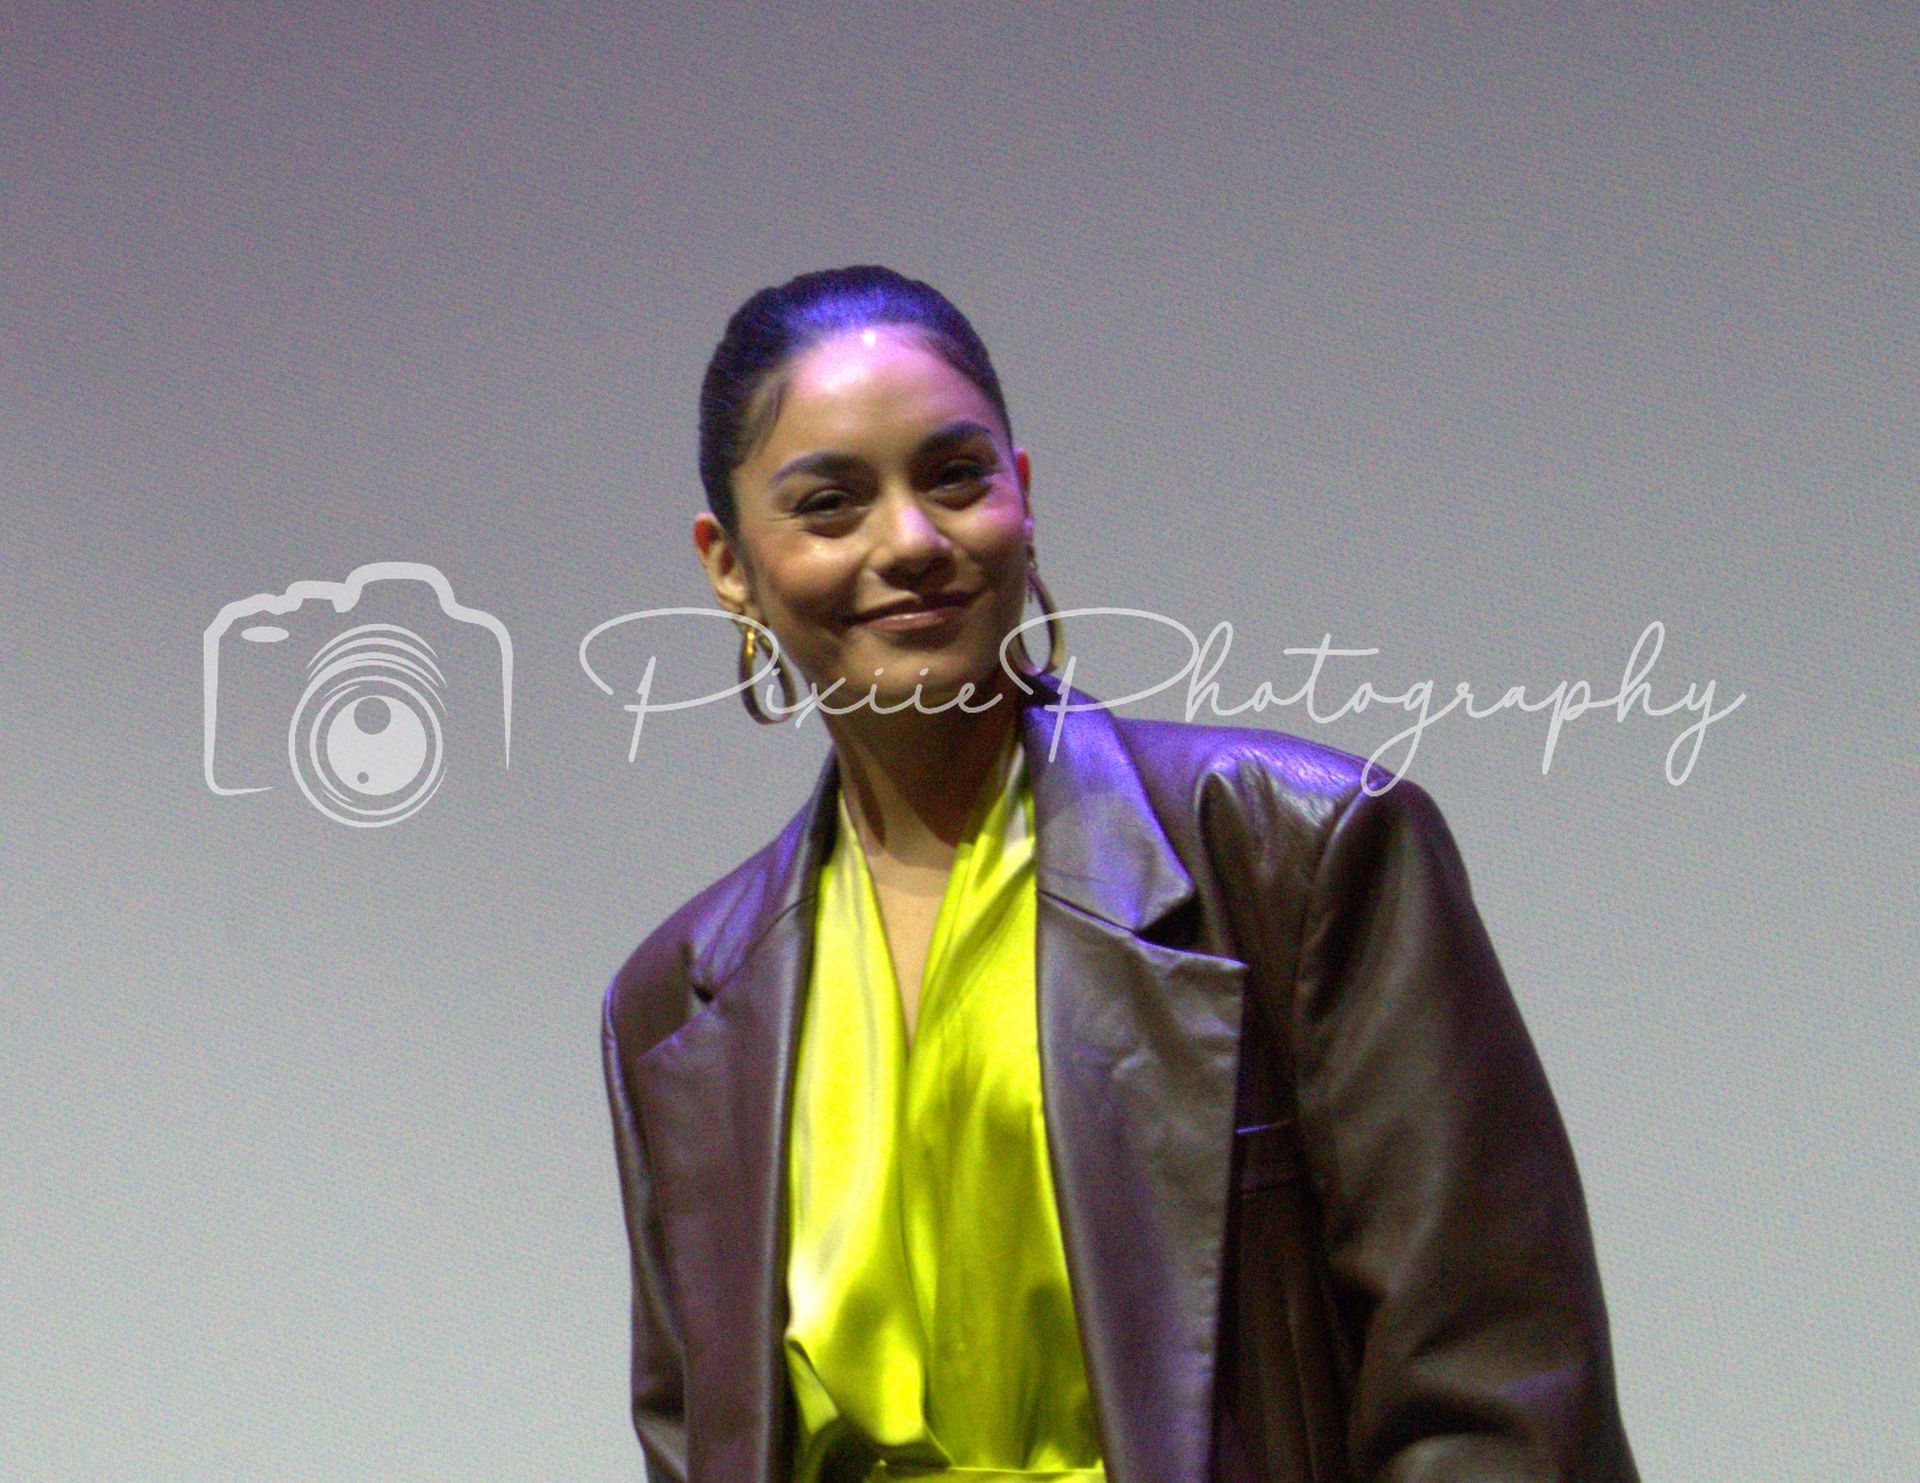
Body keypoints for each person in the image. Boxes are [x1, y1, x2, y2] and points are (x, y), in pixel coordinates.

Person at [601, 265, 1639, 1483]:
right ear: (728, 564)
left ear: (1023, 495)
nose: (912, 540)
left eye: (956, 477)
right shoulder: (676, 1005)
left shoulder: (1302, 856)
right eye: (831, 503)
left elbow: (1500, 1400)